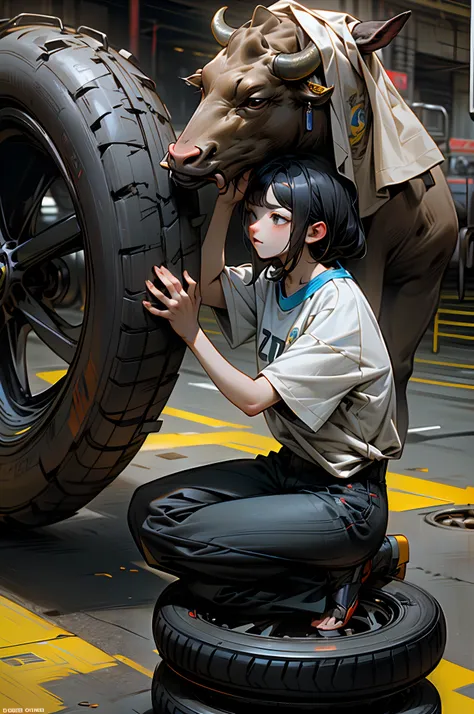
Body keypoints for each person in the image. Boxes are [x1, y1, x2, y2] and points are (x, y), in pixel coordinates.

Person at [128, 155, 407, 631]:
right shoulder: (276, 283)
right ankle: (318, 570)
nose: (256, 227)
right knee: (149, 513)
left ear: (315, 232)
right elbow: (213, 284)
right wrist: (224, 205)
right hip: (288, 470)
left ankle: (342, 573)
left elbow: (253, 398)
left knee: (189, 549)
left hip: (343, 499)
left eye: (276, 217)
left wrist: (191, 332)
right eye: (253, 214)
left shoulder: (340, 310)